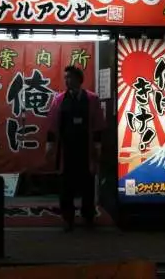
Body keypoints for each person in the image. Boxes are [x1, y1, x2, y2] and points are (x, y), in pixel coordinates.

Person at [46, 66, 105, 232]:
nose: (67, 81)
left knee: (87, 184)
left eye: (70, 77)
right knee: (66, 185)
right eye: (65, 77)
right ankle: (68, 218)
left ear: (79, 79)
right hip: (67, 148)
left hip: (86, 147)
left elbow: (98, 124)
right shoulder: (59, 99)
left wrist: (98, 146)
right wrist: (50, 145)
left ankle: (88, 216)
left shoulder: (92, 99)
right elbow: (52, 125)